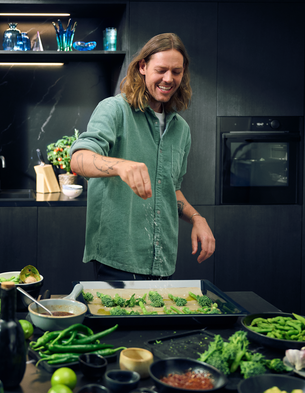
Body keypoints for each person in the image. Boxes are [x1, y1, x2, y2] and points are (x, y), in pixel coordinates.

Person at [70, 33, 215, 280]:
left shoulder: (181, 129)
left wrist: (197, 218)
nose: (169, 79)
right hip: (117, 258)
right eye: (161, 70)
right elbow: (79, 159)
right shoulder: (114, 109)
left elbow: (170, 189)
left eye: (176, 72)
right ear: (143, 67)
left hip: (163, 260)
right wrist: (120, 165)